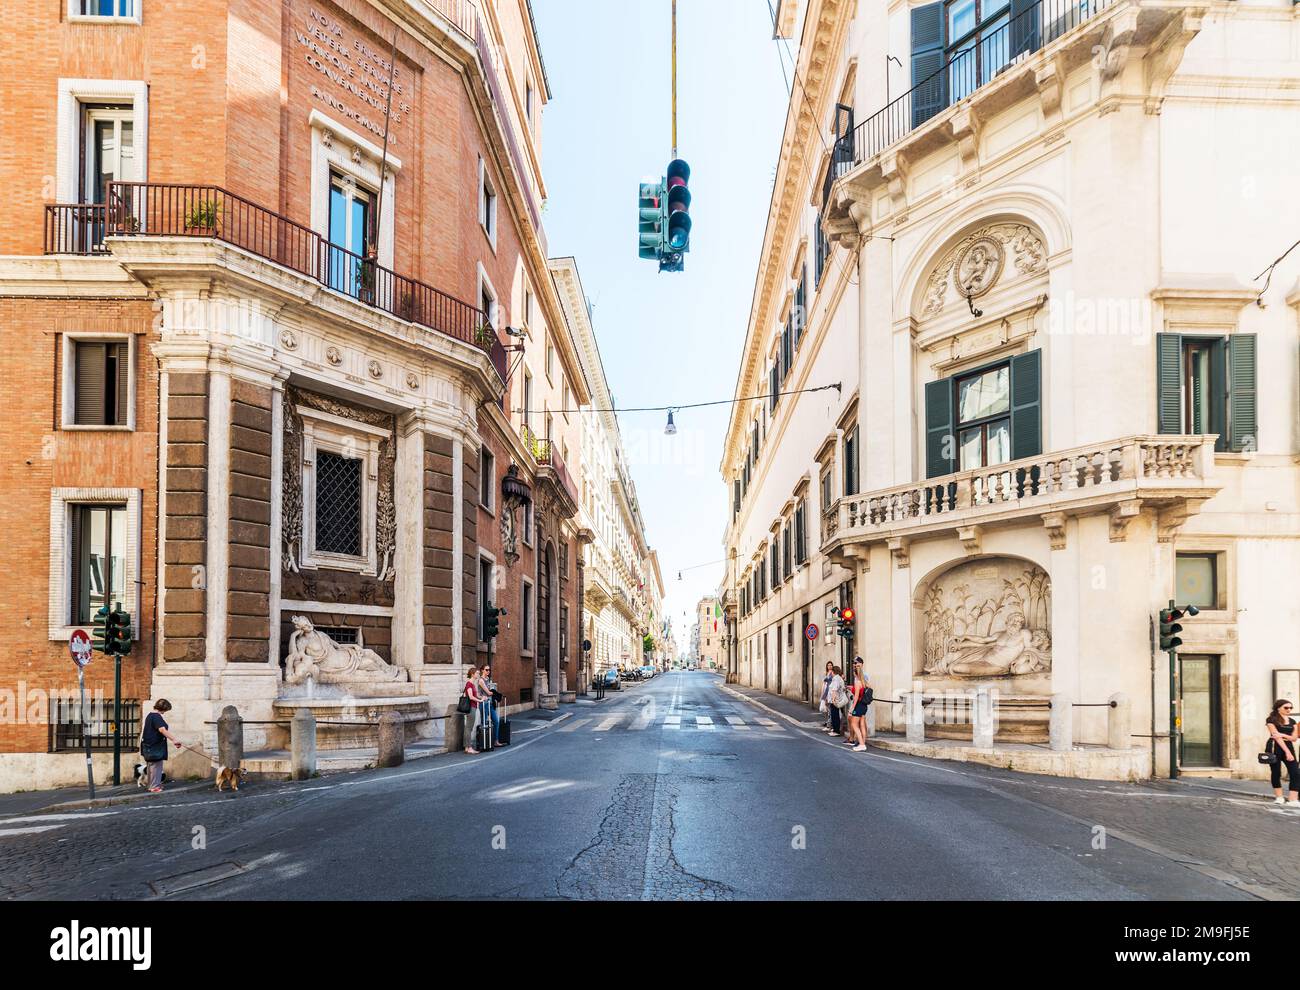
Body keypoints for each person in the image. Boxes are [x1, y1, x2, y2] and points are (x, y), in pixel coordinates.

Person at [140, 699, 183, 793]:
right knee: (156, 766)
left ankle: (152, 785)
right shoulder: (156, 717)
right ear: (164, 708)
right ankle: (154, 786)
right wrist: (174, 740)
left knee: (151, 766)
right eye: (166, 710)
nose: (165, 712)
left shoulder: (150, 715)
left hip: (148, 745)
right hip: (155, 746)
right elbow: (162, 730)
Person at [1266, 699, 1299, 807]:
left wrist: (1282, 735)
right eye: (1286, 707)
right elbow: (1276, 737)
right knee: (1276, 772)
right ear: (1278, 708)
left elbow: (1294, 738)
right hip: (1275, 746)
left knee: (1295, 772)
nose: (1289, 709)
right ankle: (1279, 797)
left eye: (1291, 708)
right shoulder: (1271, 720)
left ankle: (1293, 799)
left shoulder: (1293, 721)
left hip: (1289, 745)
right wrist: (1287, 752)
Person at [846, 659, 871, 752]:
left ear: (855, 674)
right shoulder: (865, 682)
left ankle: (861, 744)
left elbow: (856, 697)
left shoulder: (858, 682)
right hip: (864, 705)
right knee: (862, 724)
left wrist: (852, 708)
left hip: (859, 705)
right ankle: (863, 742)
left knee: (854, 724)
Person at [463, 666, 483, 755]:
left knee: (469, 728)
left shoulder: (472, 684)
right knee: (469, 728)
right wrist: (480, 700)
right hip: (471, 708)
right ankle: (469, 747)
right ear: (472, 674)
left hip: (472, 707)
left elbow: (475, 695)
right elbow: (471, 697)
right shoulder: (469, 684)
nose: (478, 675)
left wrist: (482, 697)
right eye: (477, 673)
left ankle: (467, 747)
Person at [477, 666, 500, 747]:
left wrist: (493, 691)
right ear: (482, 670)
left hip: (489, 703)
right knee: (484, 722)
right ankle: (485, 743)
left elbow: (491, 690)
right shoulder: (481, 680)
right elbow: (488, 692)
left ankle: (495, 741)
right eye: (486, 670)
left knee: (496, 721)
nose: (488, 671)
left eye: (489, 670)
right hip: (483, 703)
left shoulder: (488, 680)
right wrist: (494, 691)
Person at [826, 665, 847, 738]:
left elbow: (834, 689)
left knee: (835, 715)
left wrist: (834, 700)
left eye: (831, 671)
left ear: (833, 671)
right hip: (836, 699)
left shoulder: (836, 678)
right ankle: (835, 729)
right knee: (835, 715)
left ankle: (836, 731)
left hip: (835, 700)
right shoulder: (838, 678)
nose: (831, 672)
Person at [819, 661, 835, 731]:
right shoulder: (827, 673)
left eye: (831, 665)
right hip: (825, 691)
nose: (830, 666)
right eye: (828, 665)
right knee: (827, 710)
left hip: (829, 692)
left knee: (830, 709)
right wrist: (822, 693)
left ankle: (829, 725)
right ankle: (828, 723)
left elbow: (830, 683)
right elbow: (824, 684)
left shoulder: (832, 674)